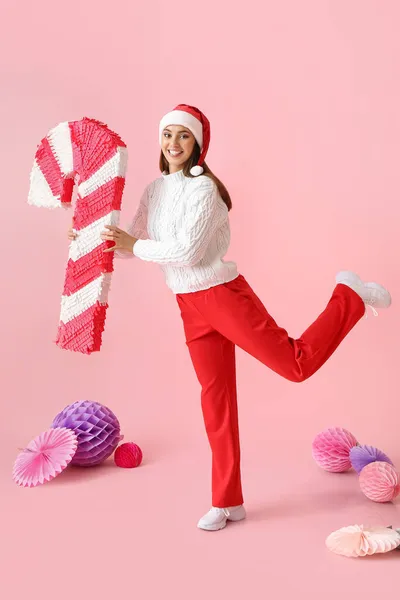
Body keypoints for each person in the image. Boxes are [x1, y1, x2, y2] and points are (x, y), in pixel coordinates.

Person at [69, 104, 392, 532]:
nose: (174, 143)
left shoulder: (205, 192)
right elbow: (133, 245)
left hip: (221, 295)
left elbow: (187, 253)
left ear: (198, 144)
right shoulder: (154, 190)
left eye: (183, 136)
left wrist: (134, 243)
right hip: (188, 304)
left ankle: (348, 295)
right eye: (167, 134)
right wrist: (95, 239)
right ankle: (228, 501)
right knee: (216, 404)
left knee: (295, 365)